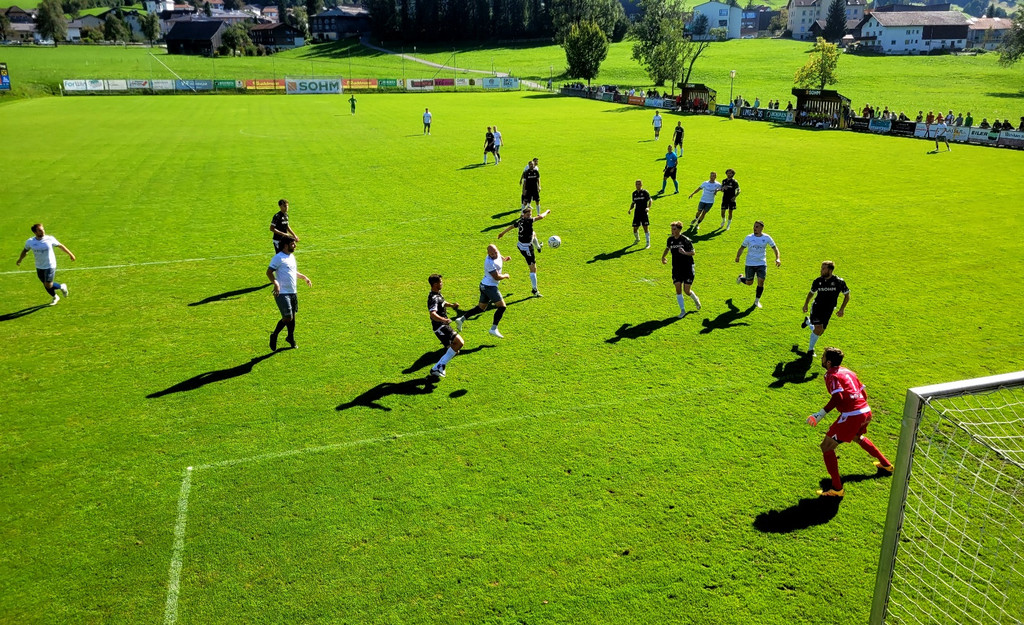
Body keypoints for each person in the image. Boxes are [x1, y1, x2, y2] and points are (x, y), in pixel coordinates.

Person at [806, 347, 894, 497]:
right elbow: (863, 393)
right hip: (866, 411)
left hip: (852, 415)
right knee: (856, 437)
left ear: (828, 362)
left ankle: (837, 489)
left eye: (823, 357)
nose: (821, 359)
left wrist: (820, 415)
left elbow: (838, 397)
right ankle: (886, 465)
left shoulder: (831, 375)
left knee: (826, 447)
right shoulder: (848, 371)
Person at [266, 236, 312, 351]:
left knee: (293, 317)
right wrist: (276, 283)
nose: (295, 246)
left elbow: (291, 270)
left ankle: (290, 338)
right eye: (292, 244)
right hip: (282, 292)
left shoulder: (291, 256)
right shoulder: (278, 258)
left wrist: (303, 277)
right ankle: (274, 335)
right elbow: (269, 272)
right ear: (286, 245)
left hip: (292, 291)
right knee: (287, 317)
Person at [16, 223, 75, 306]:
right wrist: (20, 259)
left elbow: (60, 246)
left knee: (48, 284)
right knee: (45, 284)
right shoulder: (30, 242)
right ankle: (55, 297)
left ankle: (62, 286)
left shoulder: (49, 239)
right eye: (40, 230)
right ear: (35, 232)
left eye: (43, 229)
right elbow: (25, 251)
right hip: (39, 266)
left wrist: (70, 254)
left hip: (50, 265)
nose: (42, 231)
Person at [498, 206, 550, 297]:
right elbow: (541, 217)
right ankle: (534, 290)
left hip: (520, 245)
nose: (529, 216)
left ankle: (538, 247)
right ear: (524, 215)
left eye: (530, 214)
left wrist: (502, 233)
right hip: (527, 248)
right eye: (528, 214)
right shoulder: (529, 221)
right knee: (533, 269)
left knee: (533, 233)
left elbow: (511, 227)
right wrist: (547, 211)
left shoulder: (520, 221)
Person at [801, 261, 850, 357]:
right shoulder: (817, 281)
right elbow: (811, 293)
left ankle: (808, 322)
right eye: (821, 268)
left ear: (830, 270)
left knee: (820, 332)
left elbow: (847, 295)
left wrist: (842, 309)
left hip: (829, 309)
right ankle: (810, 350)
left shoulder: (839, 282)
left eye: (823, 268)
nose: (821, 270)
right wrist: (806, 304)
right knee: (818, 328)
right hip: (817, 307)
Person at [464, 244, 511, 339]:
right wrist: (505, 275)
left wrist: (504, 259)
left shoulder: (497, 253)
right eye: (491, 254)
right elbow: (496, 277)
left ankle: (461, 319)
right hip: (490, 286)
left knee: (481, 308)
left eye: (495, 252)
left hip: (484, 285)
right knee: (502, 307)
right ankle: (493, 329)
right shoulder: (489, 262)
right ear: (488, 254)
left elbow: (499, 257)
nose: (494, 255)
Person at [426, 274, 466, 379]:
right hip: (441, 327)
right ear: (435, 284)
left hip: (442, 326)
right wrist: (444, 320)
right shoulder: (433, 298)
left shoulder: (438, 294)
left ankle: (438, 368)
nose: (442, 283)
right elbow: (432, 314)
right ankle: (437, 367)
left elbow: (442, 303)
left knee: (455, 351)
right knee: (459, 343)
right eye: (440, 282)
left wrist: (452, 305)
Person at [734, 220, 780, 309]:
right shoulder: (749, 237)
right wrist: (738, 256)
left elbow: (775, 248)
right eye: (754, 226)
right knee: (749, 283)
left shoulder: (767, 238)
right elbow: (742, 248)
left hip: (761, 263)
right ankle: (741, 278)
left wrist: (777, 258)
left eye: (757, 227)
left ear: (762, 228)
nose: (754, 228)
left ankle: (757, 300)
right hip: (750, 263)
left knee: (761, 281)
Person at [662, 221, 700, 318]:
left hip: (687, 267)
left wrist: (684, 253)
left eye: (674, 229)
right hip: (676, 268)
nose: (672, 231)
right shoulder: (670, 240)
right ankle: (682, 310)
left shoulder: (685, 240)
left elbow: (693, 252)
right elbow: (667, 248)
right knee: (678, 289)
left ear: (679, 230)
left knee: (687, 291)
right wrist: (663, 257)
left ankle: (695, 299)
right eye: (671, 229)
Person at [628, 179, 653, 249]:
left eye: (639, 184)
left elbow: (650, 200)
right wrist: (630, 209)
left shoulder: (645, 192)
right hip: (637, 213)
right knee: (635, 228)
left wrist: (648, 208)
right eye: (636, 184)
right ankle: (637, 239)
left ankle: (648, 243)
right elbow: (633, 203)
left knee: (645, 227)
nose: (637, 185)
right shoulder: (634, 193)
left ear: (641, 185)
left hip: (644, 213)